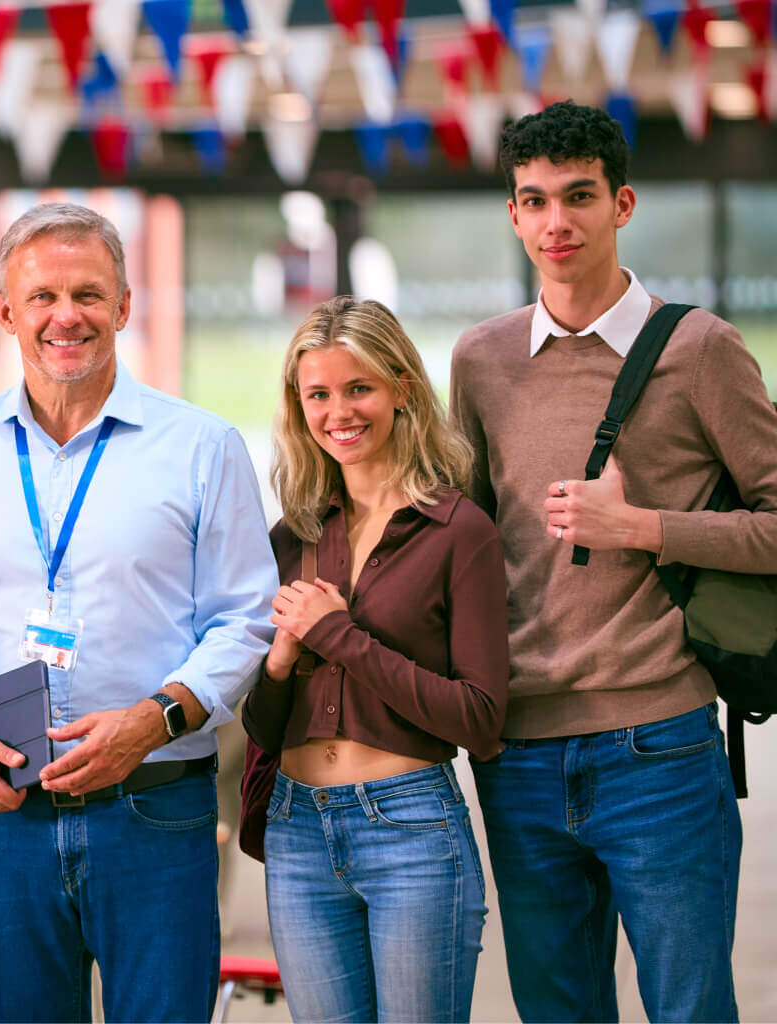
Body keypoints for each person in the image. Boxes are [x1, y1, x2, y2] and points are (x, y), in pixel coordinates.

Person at [0, 202, 276, 1022]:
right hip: (6, 817)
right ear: (5, 312)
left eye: (89, 294)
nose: (67, 316)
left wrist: (153, 719)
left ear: (124, 306)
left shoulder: (201, 448)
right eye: (43, 297)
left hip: (156, 806)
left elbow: (245, 618)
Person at [450, 100, 777, 1022]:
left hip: (660, 745)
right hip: (518, 754)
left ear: (622, 203)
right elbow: (466, 544)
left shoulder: (701, 350)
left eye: (579, 196)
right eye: (535, 200)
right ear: (514, 215)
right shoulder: (480, 360)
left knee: (690, 1010)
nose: (556, 221)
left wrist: (646, 527)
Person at [252, 296, 507, 1022]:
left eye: (358, 387)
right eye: (318, 395)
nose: (339, 412)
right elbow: (265, 729)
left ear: (402, 387)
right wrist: (280, 663)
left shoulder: (459, 531)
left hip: (411, 829)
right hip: (297, 829)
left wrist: (339, 636)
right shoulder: (293, 534)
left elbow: (481, 720)